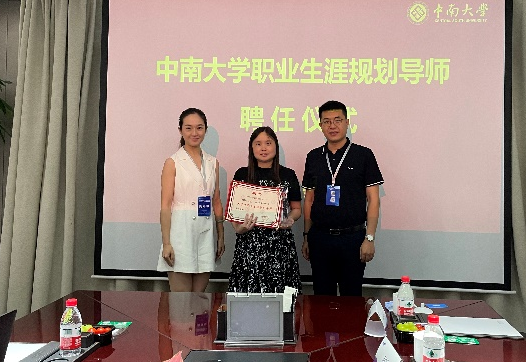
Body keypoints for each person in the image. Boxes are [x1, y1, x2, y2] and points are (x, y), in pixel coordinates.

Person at [302, 100, 383, 296]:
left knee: (351, 296)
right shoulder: (313, 157)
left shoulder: (363, 155)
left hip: (352, 238)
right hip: (320, 237)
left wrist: (369, 238)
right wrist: (306, 236)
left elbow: (373, 199)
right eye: (327, 121)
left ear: (347, 122)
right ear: (320, 125)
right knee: (322, 296)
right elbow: (309, 200)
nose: (332, 126)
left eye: (337, 120)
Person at [228, 126, 303, 293]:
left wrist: (290, 219)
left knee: (280, 298)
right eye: (258, 144)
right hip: (249, 244)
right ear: (251, 148)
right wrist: (239, 228)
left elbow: (296, 208)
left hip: (280, 244)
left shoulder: (288, 175)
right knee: (249, 296)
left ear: (275, 146)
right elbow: (235, 212)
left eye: (268, 143)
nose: (263, 148)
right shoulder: (242, 174)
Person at [158, 108, 224, 292]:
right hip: (181, 232)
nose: (194, 133)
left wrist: (220, 236)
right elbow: (165, 206)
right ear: (180, 130)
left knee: (200, 298)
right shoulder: (173, 162)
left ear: (205, 130)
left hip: (205, 231)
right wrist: (166, 243)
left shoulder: (212, 162)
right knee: (182, 301)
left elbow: (216, 201)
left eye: (199, 128)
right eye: (188, 128)